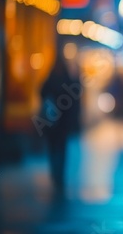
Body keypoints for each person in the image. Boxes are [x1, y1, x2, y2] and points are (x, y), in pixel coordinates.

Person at [40, 51, 81, 199]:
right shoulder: (67, 80)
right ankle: (58, 175)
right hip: (60, 123)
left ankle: (56, 174)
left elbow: (42, 93)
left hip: (53, 123)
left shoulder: (50, 80)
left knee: (55, 149)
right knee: (60, 149)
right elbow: (74, 102)